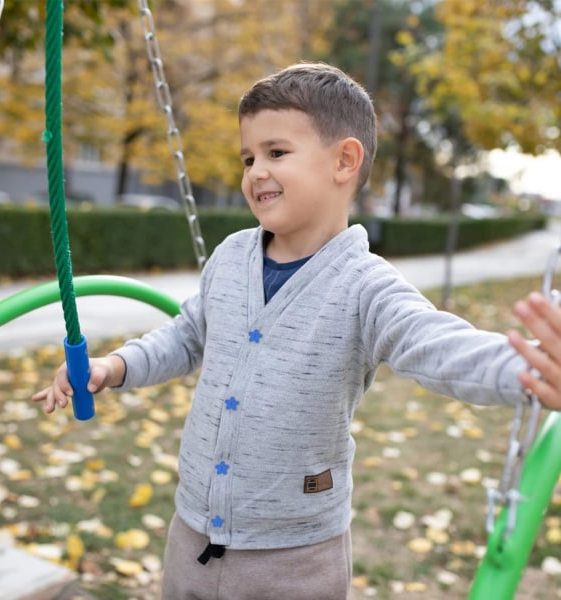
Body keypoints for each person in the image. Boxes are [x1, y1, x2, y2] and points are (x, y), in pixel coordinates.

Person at [33, 62, 561, 600]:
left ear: (344, 161)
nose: (255, 171)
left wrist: (529, 367)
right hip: (191, 533)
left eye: (276, 153)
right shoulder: (232, 256)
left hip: (295, 559)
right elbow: (187, 336)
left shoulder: (366, 285)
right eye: (248, 158)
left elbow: (435, 344)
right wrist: (112, 366)